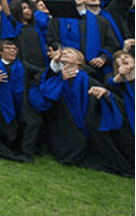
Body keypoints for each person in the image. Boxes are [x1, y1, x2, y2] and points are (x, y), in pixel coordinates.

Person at [30, 46, 134, 176]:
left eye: (70, 52)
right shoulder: (52, 76)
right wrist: (59, 79)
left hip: (86, 126)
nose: (65, 53)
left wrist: (105, 94)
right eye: (64, 52)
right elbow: (41, 101)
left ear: (79, 61)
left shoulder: (88, 80)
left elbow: (109, 97)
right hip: (61, 126)